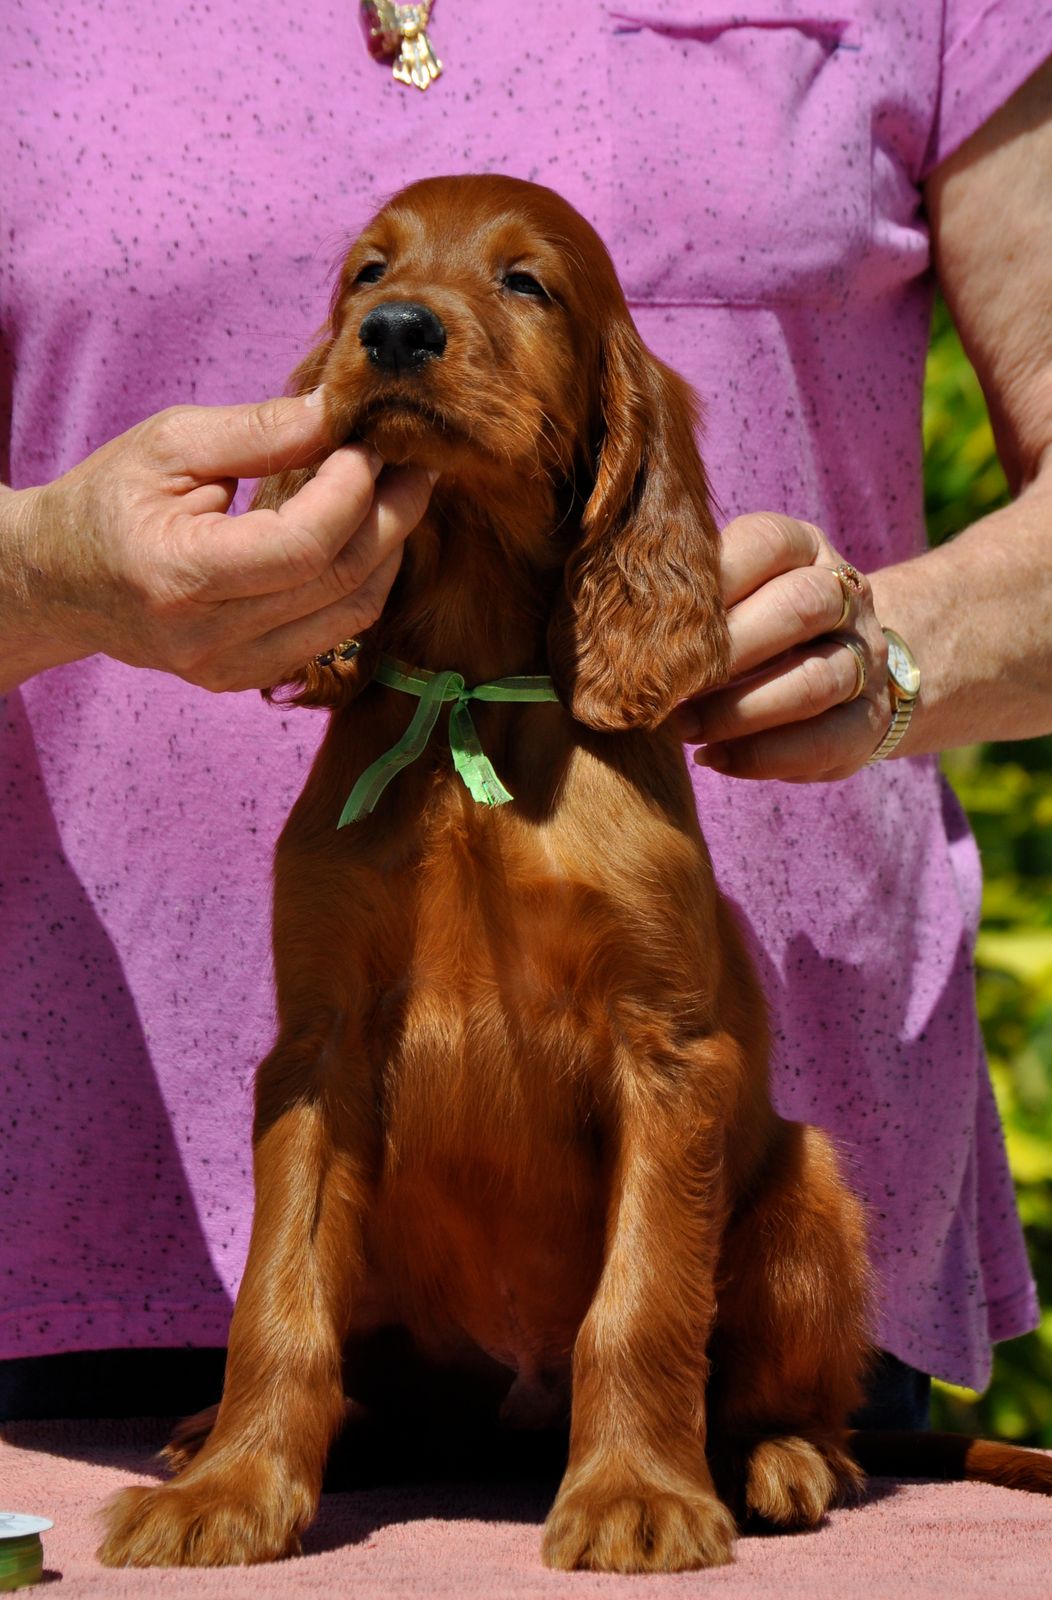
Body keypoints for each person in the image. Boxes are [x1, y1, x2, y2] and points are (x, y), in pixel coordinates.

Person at [1, 2, 1049, 1430]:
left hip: (723, 1290)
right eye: (375, 286)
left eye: (521, 286)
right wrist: (43, 571)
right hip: (77, 1212)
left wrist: (897, 648)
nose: (404, 318)